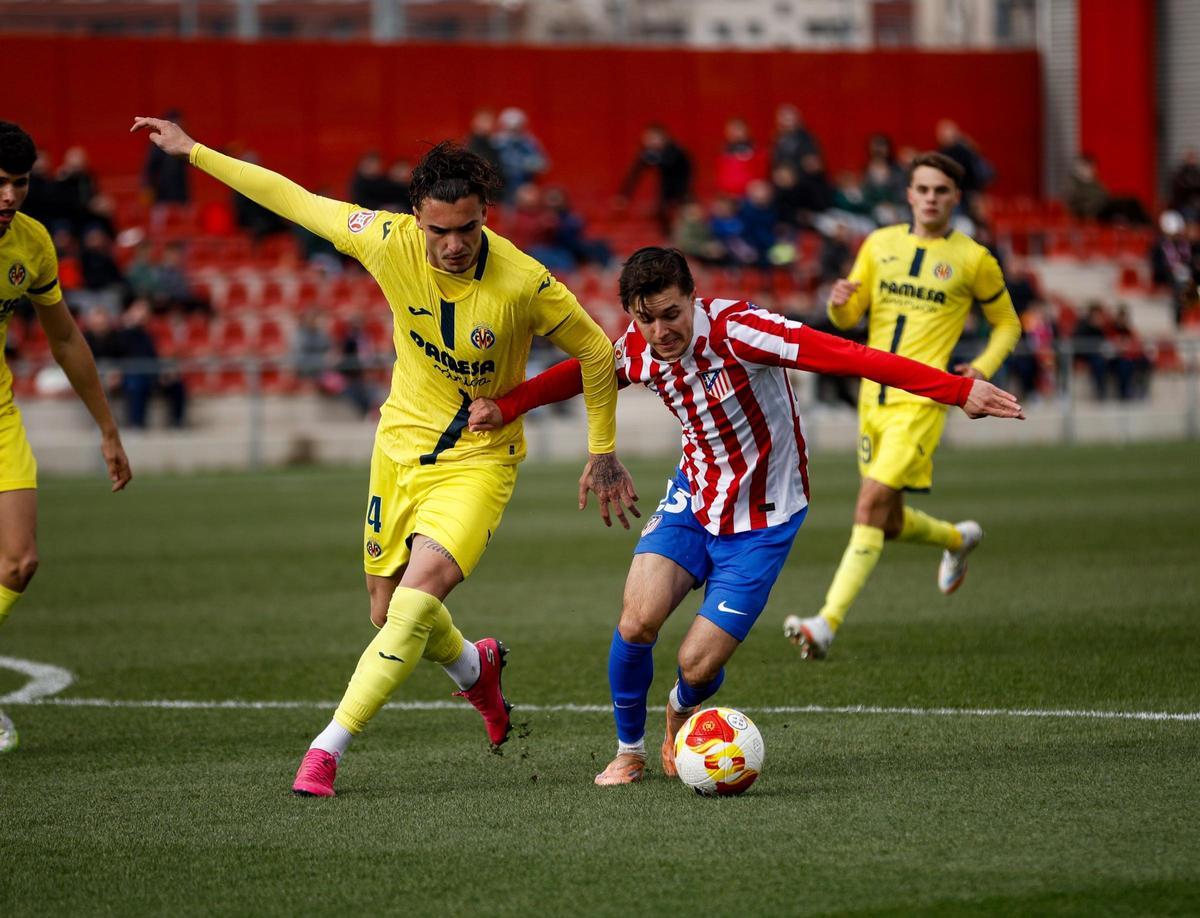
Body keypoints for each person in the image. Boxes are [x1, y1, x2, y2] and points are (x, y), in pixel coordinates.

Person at [131, 115, 636, 796]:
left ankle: (327, 747)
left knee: (417, 597)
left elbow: (598, 352)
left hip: (479, 462)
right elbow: (296, 201)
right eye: (440, 230)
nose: (455, 245)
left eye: (468, 228)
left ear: (486, 215)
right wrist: (194, 152)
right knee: (386, 609)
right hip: (396, 450)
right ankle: (475, 673)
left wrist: (601, 449)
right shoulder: (388, 242)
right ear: (415, 219)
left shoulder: (525, 281)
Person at [467, 246, 1023, 785]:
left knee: (696, 665)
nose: (660, 332)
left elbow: (849, 356)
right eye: (646, 319)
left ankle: (682, 708)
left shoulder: (742, 331)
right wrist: (508, 405)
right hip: (693, 499)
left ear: (693, 298)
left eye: (671, 315)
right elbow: (582, 374)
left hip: (764, 517)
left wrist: (955, 391)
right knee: (636, 622)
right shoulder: (639, 347)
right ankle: (628, 751)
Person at [782, 152, 1022, 661]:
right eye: (923, 189)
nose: (932, 198)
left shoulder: (975, 259)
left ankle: (825, 623)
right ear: (908, 194)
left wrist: (980, 367)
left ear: (956, 198)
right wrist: (838, 300)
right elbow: (848, 316)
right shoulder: (878, 244)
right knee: (886, 521)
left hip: (924, 401)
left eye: (942, 191)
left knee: (867, 504)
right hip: (874, 396)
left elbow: (1008, 324)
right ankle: (956, 538)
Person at [0, 121, 133, 753]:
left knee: (19, 561)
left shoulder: (32, 245)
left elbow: (63, 338)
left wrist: (107, 428)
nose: (8, 196)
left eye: (18, 184)